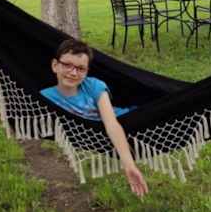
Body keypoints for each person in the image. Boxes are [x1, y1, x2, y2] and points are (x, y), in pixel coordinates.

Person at [41, 38, 148, 197]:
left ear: (87, 71)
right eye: (67, 65)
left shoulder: (93, 85)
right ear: (55, 65)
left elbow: (111, 123)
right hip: (95, 133)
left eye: (80, 68)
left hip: (129, 119)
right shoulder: (44, 97)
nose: (73, 73)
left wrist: (129, 165)